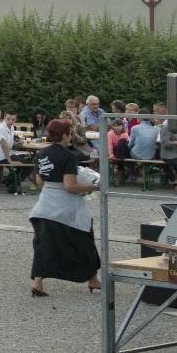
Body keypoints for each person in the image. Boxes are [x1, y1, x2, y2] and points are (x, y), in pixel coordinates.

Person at [28, 119, 102, 297]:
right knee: (84, 238)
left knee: (43, 245)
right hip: (65, 206)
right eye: (70, 132)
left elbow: (39, 182)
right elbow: (70, 186)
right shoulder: (68, 156)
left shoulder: (43, 153)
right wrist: (94, 186)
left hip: (45, 205)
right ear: (64, 135)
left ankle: (38, 282)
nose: (71, 136)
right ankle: (92, 278)